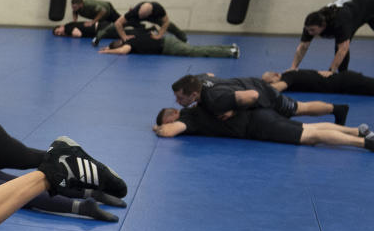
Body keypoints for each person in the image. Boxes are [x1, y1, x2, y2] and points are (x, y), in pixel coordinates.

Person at [152, 105, 374, 151]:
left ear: (172, 116)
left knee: (310, 136)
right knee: (308, 125)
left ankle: (364, 142)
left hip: (259, 124)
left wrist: (158, 129)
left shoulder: (189, 116)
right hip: (261, 114)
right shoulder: (201, 103)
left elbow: (169, 132)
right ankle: (357, 130)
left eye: (166, 120)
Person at [171, 74, 350, 125]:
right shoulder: (199, 80)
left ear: (194, 94)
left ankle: (337, 109)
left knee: (298, 109)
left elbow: (253, 96)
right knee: (298, 107)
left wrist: (234, 109)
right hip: (248, 82)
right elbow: (211, 74)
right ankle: (336, 109)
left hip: (261, 93)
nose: (178, 102)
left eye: (180, 98)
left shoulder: (214, 100)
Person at [290, 0, 374, 73]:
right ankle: (343, 76)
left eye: (312, 30)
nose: (310, 33)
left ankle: (343, 76)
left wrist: (330, 72)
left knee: (340, 46)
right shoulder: (311, 23)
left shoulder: (340, 22)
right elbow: (303, 47)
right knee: (339, 46)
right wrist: (293, 68)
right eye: (308, 30)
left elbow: (343, 49)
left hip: (370, 1)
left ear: (323, 25)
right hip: (357, 8)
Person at [95, 1, 188, 46]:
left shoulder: (158, 9)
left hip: (154, 18)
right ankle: (98, 36)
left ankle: (183, 37)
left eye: (144, 17)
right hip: (136, 16)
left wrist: (159, 35)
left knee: (170, 26)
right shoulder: (134, 12)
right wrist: (123, 36)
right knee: (116, 25)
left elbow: (166, 22)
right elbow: (118, 23)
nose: (143, 19)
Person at [99, 31, 237, 58]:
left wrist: (107, 52)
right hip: (167, 40)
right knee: (198, 48)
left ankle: (230, 52)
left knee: (197, 51)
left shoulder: (129, 44)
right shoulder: (133, 36)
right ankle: (229, 48)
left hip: (169, 46)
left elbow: (123, 51)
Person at [261, 69, 374, 96]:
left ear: (276, 75)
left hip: (346, 82)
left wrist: (258, 89)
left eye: (270, 82)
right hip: (344, 84)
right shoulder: (291, 75)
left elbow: (278, 87)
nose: (271, 85)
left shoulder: (289, 76)